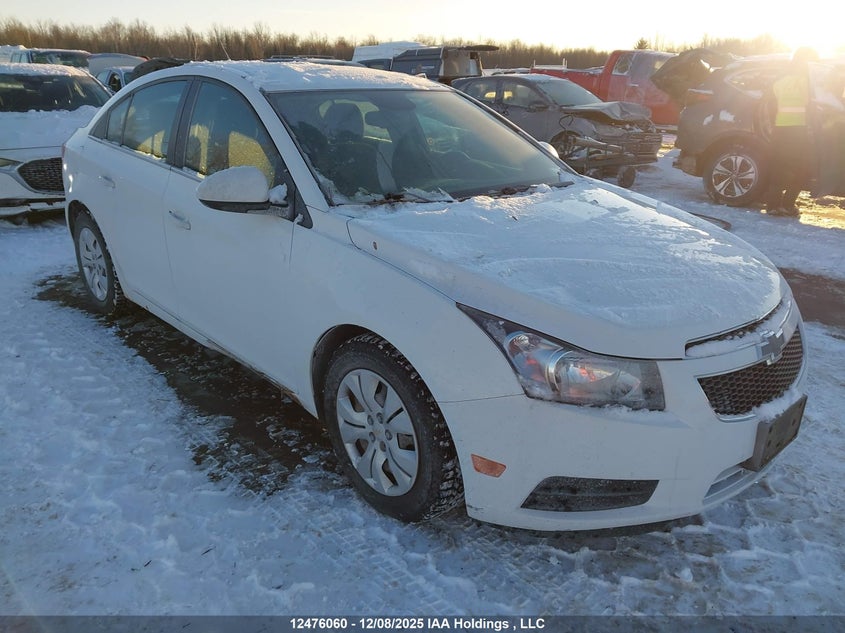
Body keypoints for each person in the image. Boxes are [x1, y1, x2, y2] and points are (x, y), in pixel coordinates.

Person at [764, 47, 819, 217]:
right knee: (801, 169)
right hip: (800, 131)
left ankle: (773, 206)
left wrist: (774, 125)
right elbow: (815, 105)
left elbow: (770, 104)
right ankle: (788, 205)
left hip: (781, 130)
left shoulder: (780, 78)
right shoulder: (810, 80)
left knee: (779, 168)